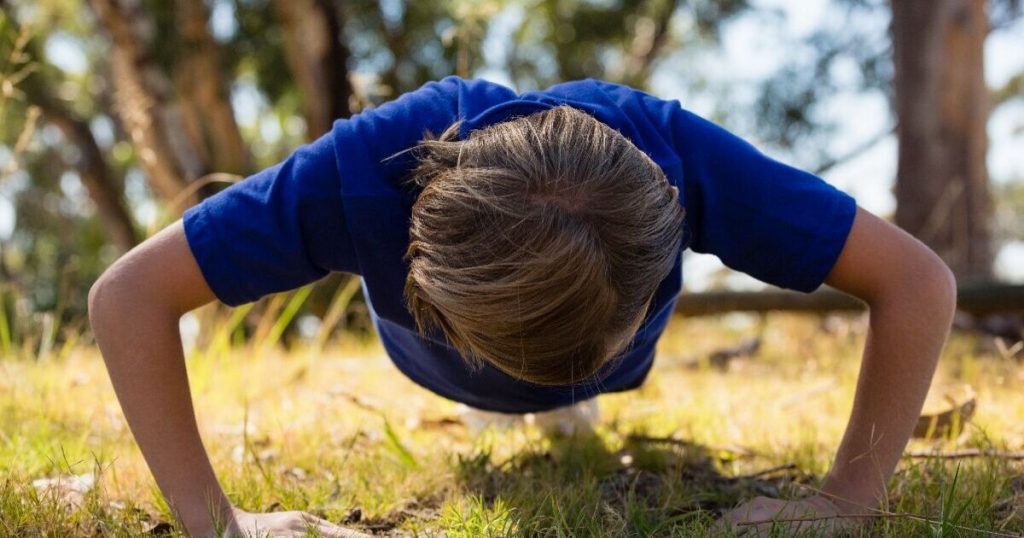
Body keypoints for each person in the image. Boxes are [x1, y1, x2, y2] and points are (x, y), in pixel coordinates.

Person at [87, 76, 957, 537]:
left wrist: (850, 499)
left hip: (612, 359)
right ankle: (503, 384)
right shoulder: (360, 174)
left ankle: (579, 391)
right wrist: (218, 524)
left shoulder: (685, 158)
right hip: (435, 362)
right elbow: (128, 297)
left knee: (575, 391)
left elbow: (919, 283)